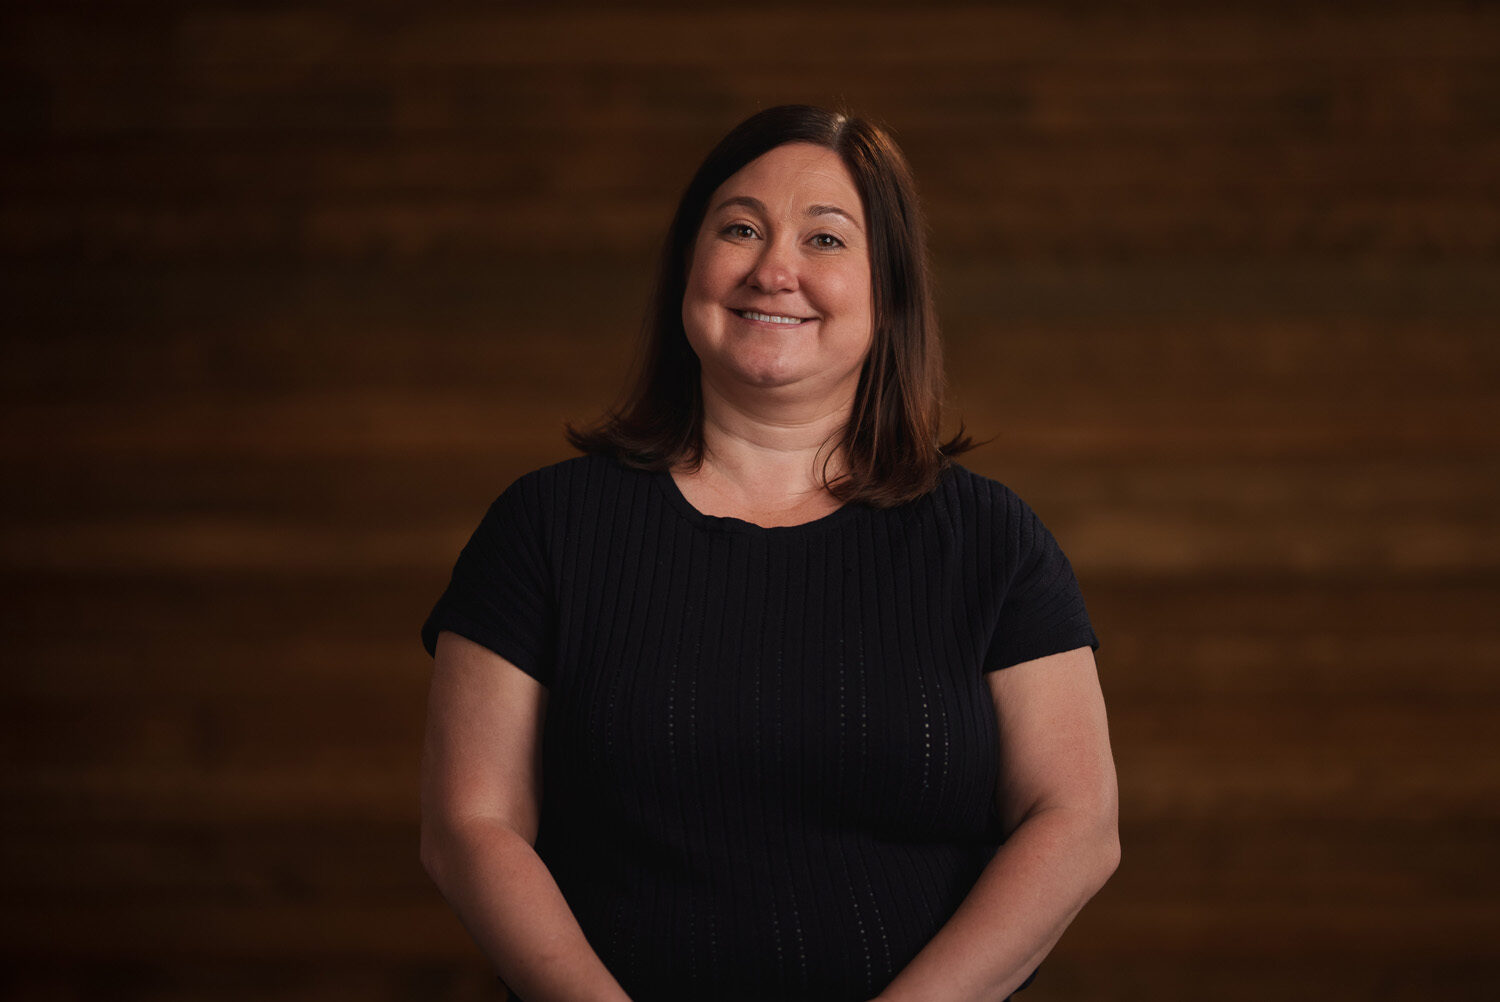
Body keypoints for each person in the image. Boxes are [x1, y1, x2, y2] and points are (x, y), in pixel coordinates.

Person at [418, 104, 1118, 1002]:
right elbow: (471, 826)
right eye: (740, 229)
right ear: (689, 268)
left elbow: (1078, 823)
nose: (773, 269)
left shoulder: (991, 542)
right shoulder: (544, 527)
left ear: (890, 293)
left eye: (826, 240)